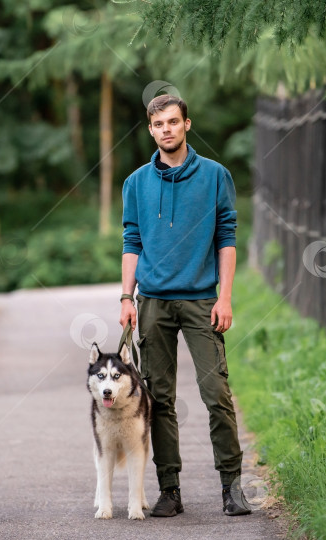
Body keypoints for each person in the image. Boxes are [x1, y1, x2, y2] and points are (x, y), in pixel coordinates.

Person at [118, 94, 251, 517]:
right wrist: (126, 296)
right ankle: (169, 489)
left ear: (187, 125)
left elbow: (226, 238)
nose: (166, 130)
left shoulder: (215, 176)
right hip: (153, 302)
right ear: (151, 129)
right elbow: (132, 242)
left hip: (201, 301)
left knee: (217, 395)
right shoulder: (136, 182)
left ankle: (232, 487)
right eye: (158, 125)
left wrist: (225, 296)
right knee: (159, 399)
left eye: (173, 122)